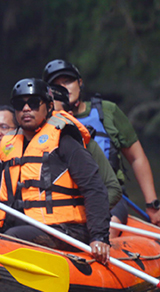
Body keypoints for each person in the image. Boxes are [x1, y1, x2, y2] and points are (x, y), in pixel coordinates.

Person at [0, 78, 111, 264]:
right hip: (23, 227)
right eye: (19, 104)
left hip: (65, 229)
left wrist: (99, 237)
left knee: (13, 235)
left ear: (48, 106)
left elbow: (94, 188)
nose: (26, 109)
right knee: (10, 233)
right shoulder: (8, 145)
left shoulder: (65, 141)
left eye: (33, 103)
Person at [43, 59, 160, 225]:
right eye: (56, 85)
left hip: (108, 195)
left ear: (79, 82)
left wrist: (152, 204)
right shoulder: (42, 121)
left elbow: (136, 158)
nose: (64, 88)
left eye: (68, 81)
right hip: (62, 198)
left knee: (107, 229)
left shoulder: (107, 111)